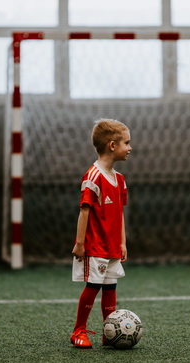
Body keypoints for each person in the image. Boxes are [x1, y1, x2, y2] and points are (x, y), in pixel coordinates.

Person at [70, 118, 132, 348]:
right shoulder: (93, 177)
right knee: (93, 286)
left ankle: (110, 331)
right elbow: (83, 212)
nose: (130, 147)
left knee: (111, 287)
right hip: (95, 245)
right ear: (112, 145)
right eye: (127, 142)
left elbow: (119, 215)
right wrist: (79, 244)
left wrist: (122, 243)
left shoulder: (120, 180)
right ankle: (78, 330)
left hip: (112, 245)